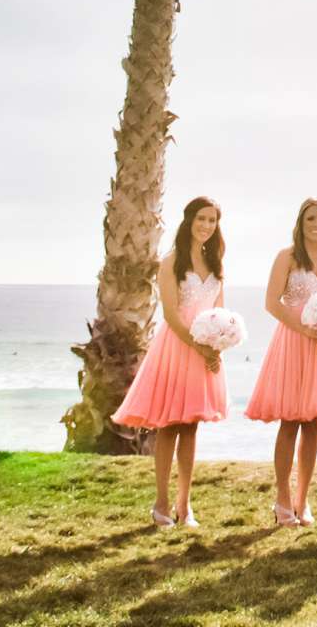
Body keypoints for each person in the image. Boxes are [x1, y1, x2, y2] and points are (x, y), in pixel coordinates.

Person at [111, 195, 229, 529]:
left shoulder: (217, 263)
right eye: (201, 219)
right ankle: (161, 503)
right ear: (189, 220)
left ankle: (184, 505)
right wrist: (197, 345)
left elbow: (221, 312)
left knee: (191, 425)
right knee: (168, 425)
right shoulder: (172, 261)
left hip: (206, 349)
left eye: (212, 220)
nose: (206, 226)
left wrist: (217, 344)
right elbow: (171, 314)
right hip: (178, 346)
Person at [244, 196, 317, 527]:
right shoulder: (287, 257)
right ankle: (282, 499)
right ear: (300, 223)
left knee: (314, 422)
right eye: (311, 220)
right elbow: (271, 302)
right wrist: (304, 327)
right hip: (294, 341)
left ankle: (303, 501)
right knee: (290, 420)